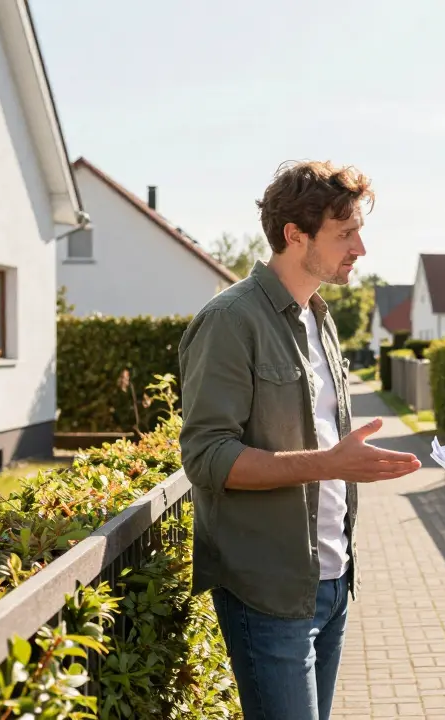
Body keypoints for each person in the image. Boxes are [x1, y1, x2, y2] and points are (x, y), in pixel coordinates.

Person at [177, 159, 423, 720]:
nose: (359, 247)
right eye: (345, 233)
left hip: (333, 581)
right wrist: (331, 463)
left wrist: (341, 463)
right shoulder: (230, 320)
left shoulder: (320, 316)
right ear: (295, 234)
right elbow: (207, 458)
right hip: (268, 590)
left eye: (359, 231)